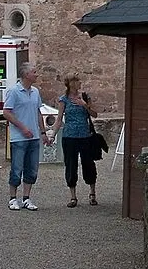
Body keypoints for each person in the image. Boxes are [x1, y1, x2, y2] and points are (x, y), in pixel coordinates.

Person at [5, 62, 51, 210]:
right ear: (26, 75)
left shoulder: (35, 92)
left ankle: (26, 198)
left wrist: (43, 132)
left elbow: (38, 112)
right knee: (17, 168)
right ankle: (13, 198)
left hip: (34, 137)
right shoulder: (14, 91)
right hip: (19, 137)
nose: (36, 74)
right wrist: (22, 127)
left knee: (32, 169)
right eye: (34, 72)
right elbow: (7, 112)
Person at [52, 75, 98, 207]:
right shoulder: (64, 99)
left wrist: (85, 105)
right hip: (69, 136)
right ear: (71, 84)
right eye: (77, 81)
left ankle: (92, 193)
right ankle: (73, 196)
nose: (80, 83)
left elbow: (95, 114)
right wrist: (53, 134)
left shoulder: (84, 97)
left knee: (88, 164)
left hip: (85, 136)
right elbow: (59, 119)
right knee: (71, 165)